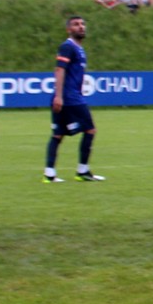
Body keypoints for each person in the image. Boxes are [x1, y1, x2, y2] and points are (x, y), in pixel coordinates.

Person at [44, 15, 104, 182]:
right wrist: (59, 96)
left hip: (67, 97)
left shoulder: (78, 49)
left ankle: (49, 174)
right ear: (68, 29)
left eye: (83, 24)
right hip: (70, 98)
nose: (81, 27)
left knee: (58, 135)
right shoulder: (67, 47)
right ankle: (82, 171)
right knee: (90, 130)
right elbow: (59, 70)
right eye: (76, 24)